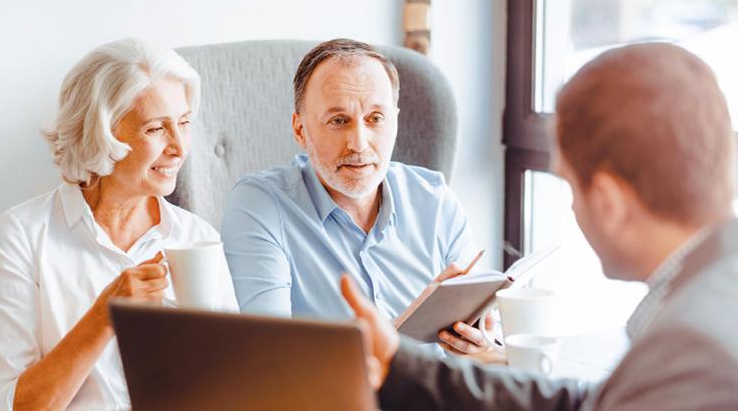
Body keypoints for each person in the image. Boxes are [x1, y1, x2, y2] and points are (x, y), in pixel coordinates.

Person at [340, 42, 738, 410]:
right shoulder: (712, 289)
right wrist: (400, 360)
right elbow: (592, 403)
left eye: (568, 184)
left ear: (608, 203)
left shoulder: (694, 346)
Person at [0, 38, 239, 410]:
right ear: (102, 133)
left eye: (183, 123)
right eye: (155, 129)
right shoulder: (20, 237)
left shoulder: (198, 239)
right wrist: (103, 317)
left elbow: (235, 387)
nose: (180, 147)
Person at [222, 38, 487, 355]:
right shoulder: (260, 205)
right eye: (338, 121)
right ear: (300, 129)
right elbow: (270, 358)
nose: (359, 144)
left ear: (395, 120)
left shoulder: (436, 200)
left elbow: (480, 344)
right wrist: (416, 323)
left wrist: (478, 339)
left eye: (376, 118)